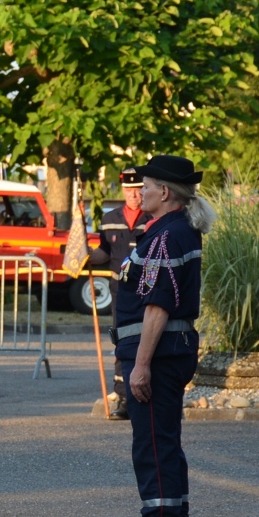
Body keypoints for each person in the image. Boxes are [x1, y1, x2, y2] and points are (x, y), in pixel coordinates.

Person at [109, 155, 212, 517]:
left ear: (165, 192)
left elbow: (157, 307)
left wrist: (141, 365)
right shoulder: (171, 231)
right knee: (161, 441)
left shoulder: (167, 236)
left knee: (153, 446)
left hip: (159, 354)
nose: (141, 191)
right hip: (169, 351)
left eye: (146, 185)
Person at [88, 167, 151, 420]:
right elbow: (105, 252)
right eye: (128, 190)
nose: (133, 195)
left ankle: (147, 393)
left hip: (147, 291)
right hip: (120, 293)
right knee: (122, 342)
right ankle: (123, 397)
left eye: (138, 190)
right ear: (122, 190)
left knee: (147, 341)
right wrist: (86, 256)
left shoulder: (152, 217)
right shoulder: (110, 218)